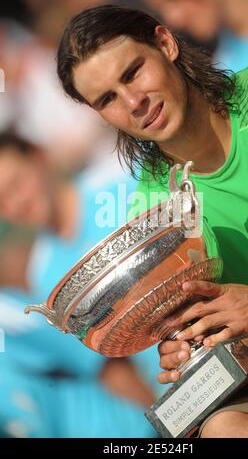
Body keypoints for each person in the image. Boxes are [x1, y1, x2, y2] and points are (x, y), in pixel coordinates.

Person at [56, 5, 248, 437]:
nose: (134, 103)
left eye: (132, 73)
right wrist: (210, 354)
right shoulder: (153, 219)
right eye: (108, 99)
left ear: (166, 44)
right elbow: (244, 344)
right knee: (221, 430)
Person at [0, 132, 163, 437]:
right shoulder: (43, 280)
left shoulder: (121, 186)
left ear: (39, 160)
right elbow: (108, 367)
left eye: (17, 184)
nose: (16, 203)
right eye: (2, 203)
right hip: (174, 390)